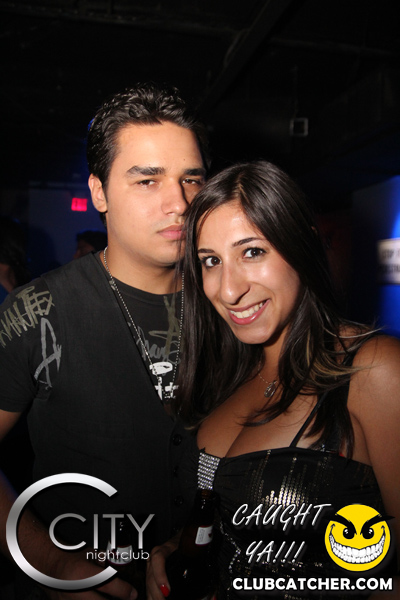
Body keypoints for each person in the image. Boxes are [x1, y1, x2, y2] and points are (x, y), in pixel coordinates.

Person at [147, 161, 400, 599]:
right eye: (211, 261)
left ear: (301, 245)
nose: (229, 290)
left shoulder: (372, 368)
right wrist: (177, 548)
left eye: (252, 252)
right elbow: (227, 519)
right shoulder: (227, 374)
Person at [0, 82, 208, 599]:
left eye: (191, 179)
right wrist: (50, 560)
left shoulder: (233, 303)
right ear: (99, 193)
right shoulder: (37, 313)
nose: (179, 203)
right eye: (147, 180)